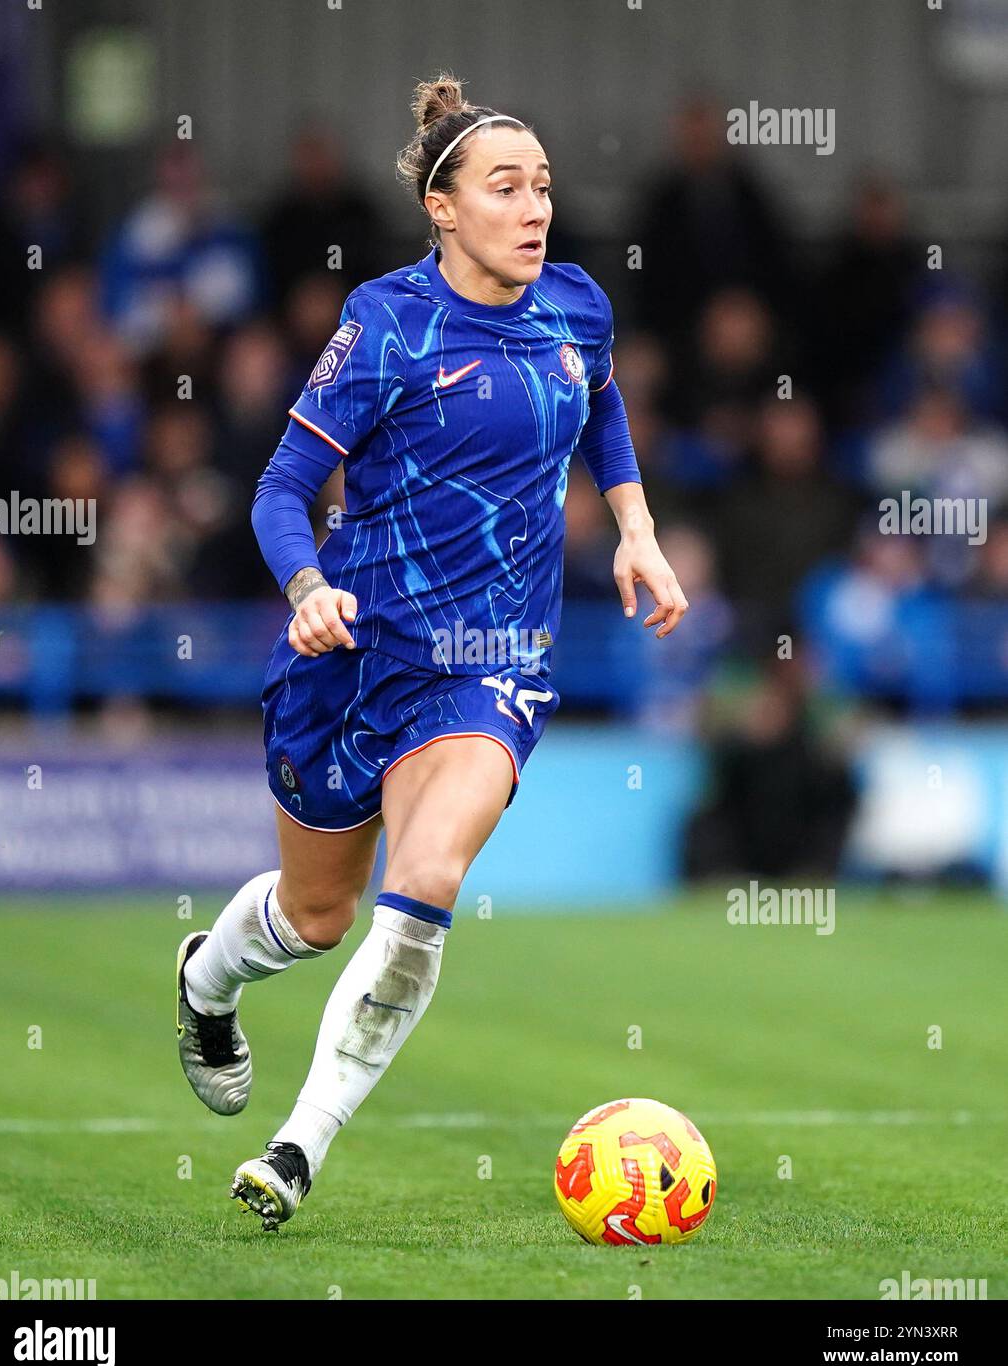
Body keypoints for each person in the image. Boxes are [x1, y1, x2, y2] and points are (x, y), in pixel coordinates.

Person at [175, 74, 690, 1231]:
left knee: (426, 887)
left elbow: (599, 404)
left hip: (495, 659)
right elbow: (283, 487)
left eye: (544, 187)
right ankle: (206, 982)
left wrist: (636, 530)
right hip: (355, 653)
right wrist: (306, 586)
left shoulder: (577, 307)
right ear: (442, 208)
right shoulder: (387, 322)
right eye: (505, 186)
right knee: (315, 920)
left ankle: (298, 1147)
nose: (533, 208)